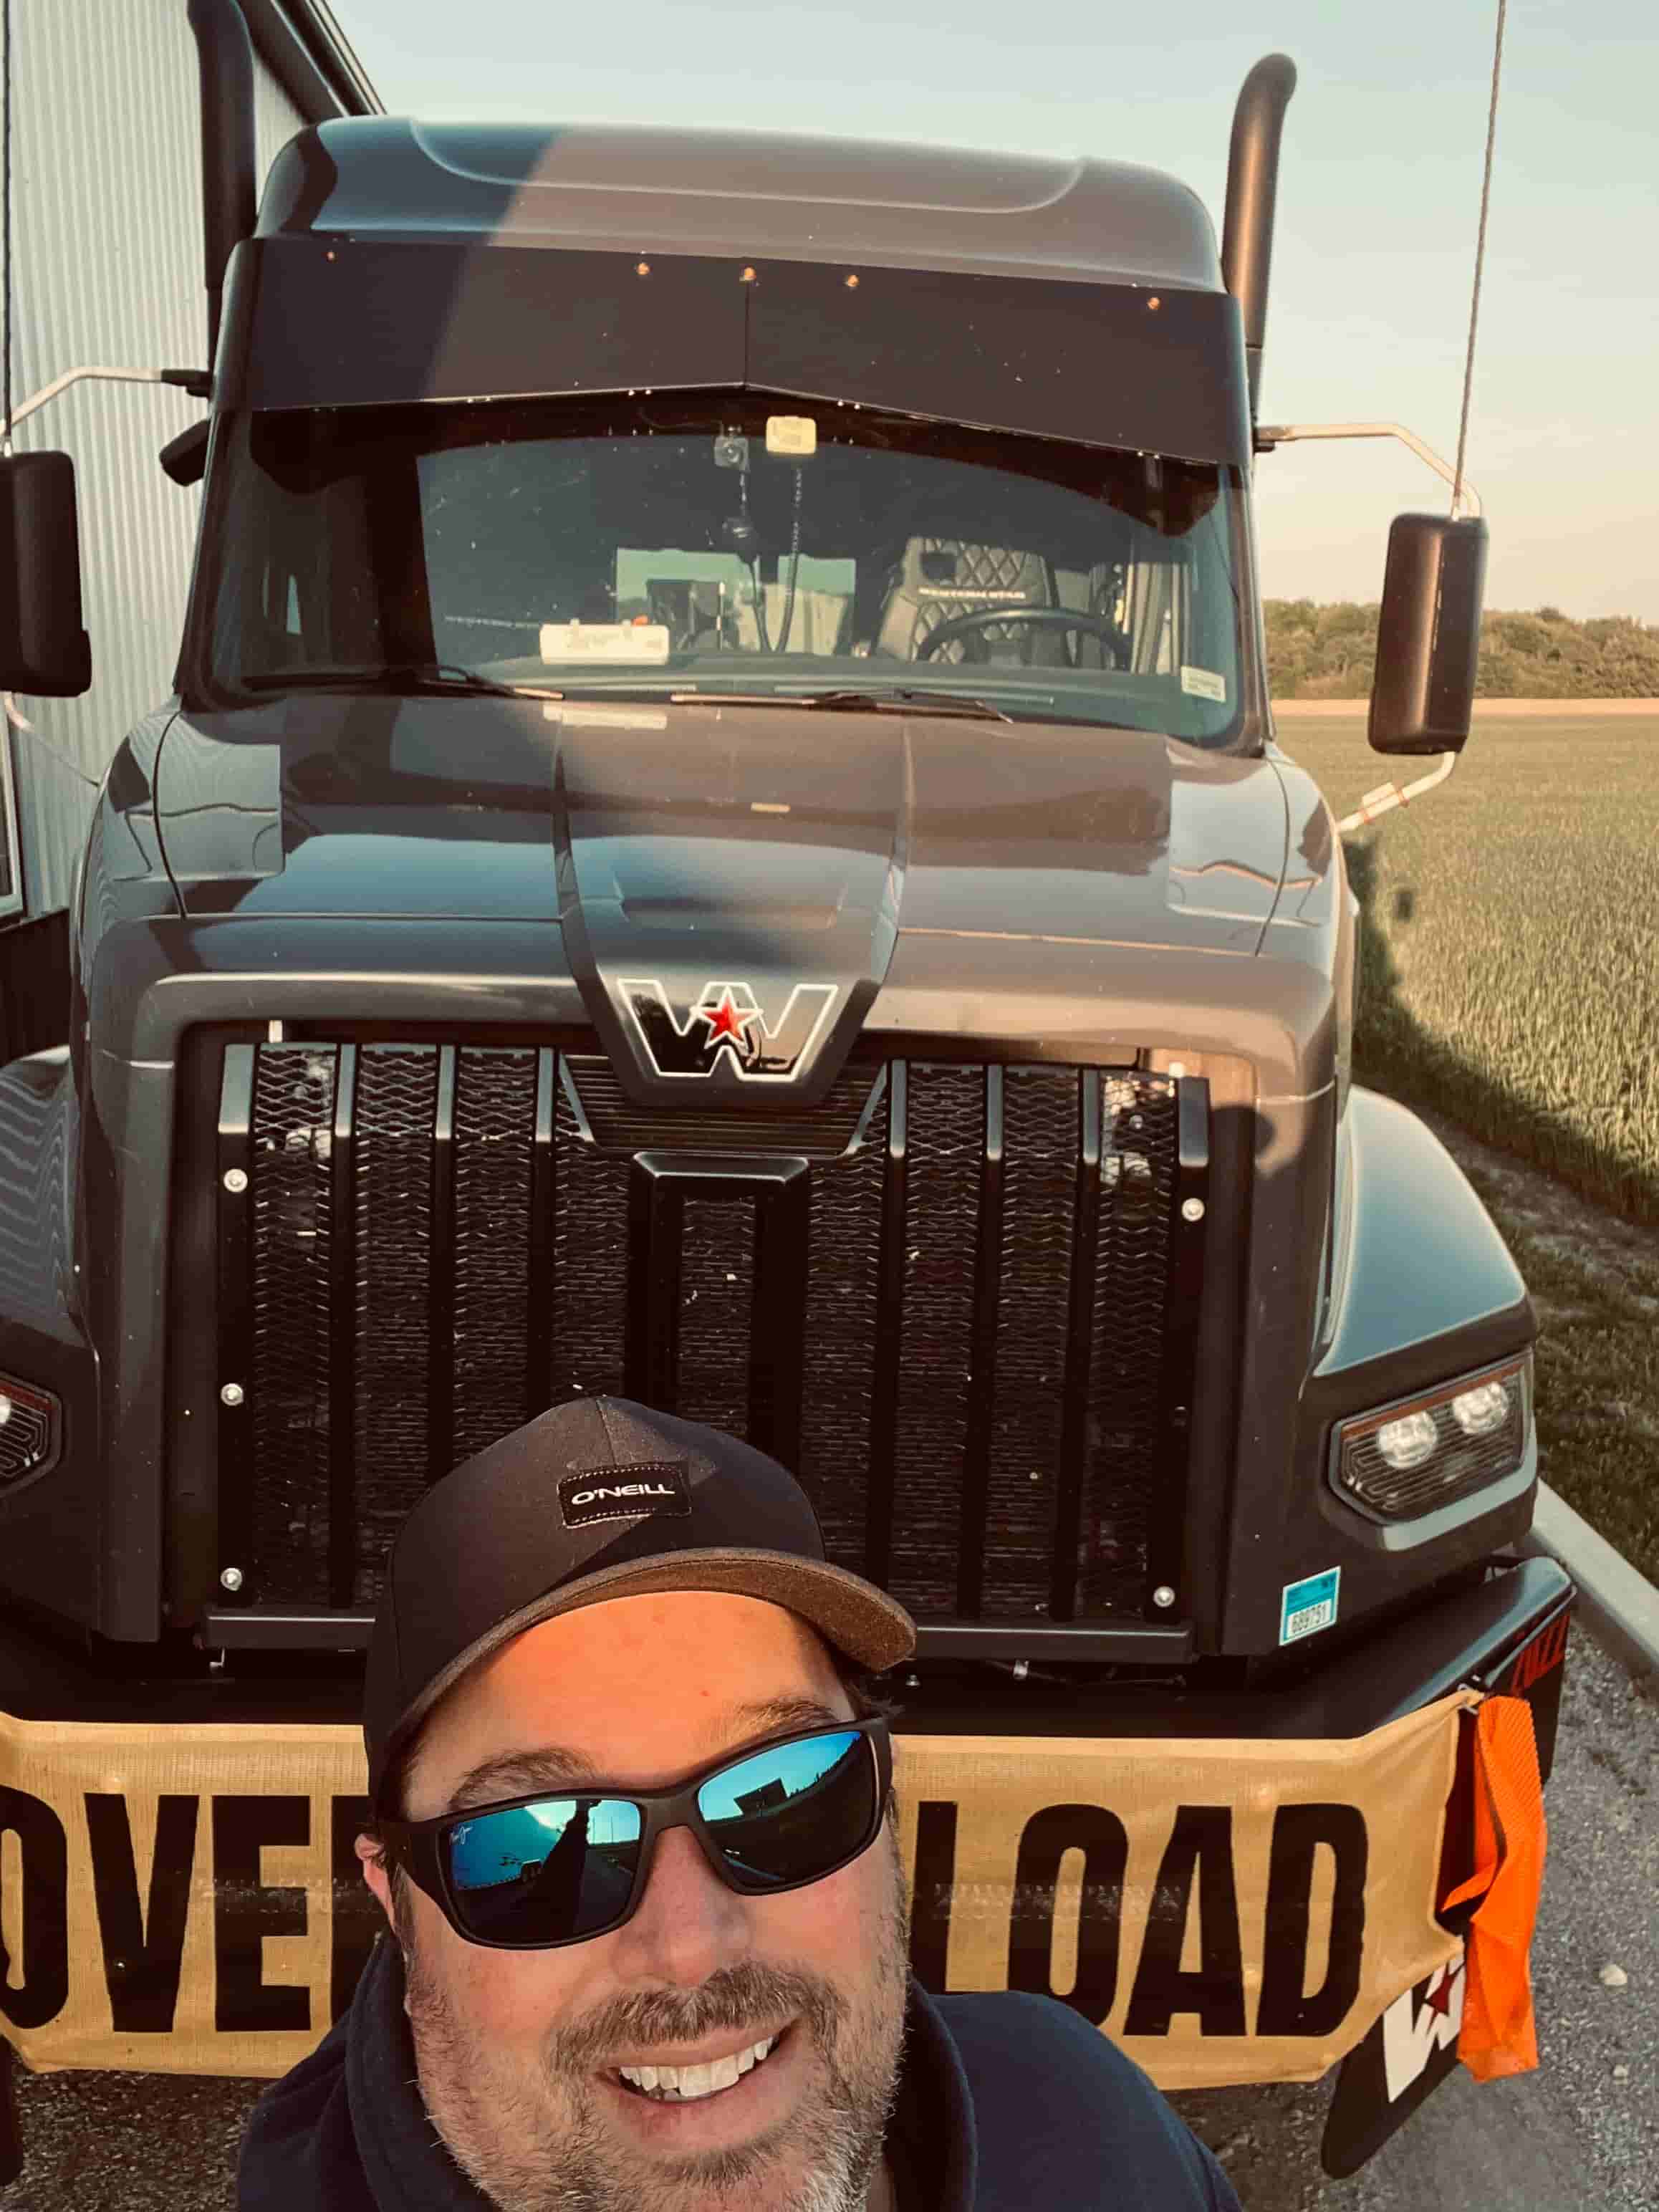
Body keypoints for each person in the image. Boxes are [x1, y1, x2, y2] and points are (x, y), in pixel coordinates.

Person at [238, 1395, 1243, 2211]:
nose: (690, 1948)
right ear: (397, 1906)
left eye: (783, 1795)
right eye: (541, 1847)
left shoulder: (1085, 2125)